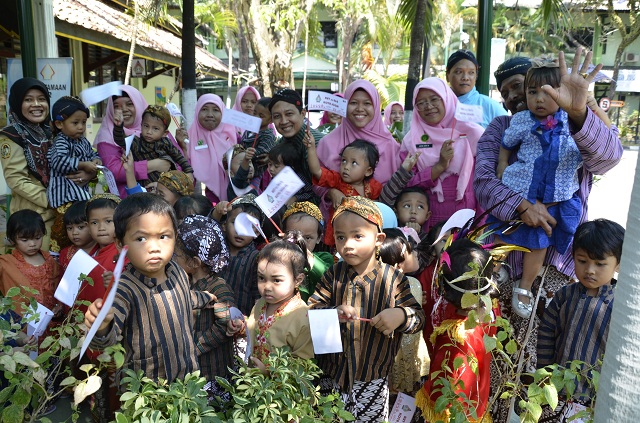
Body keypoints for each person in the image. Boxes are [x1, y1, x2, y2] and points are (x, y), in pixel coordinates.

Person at [473, 49, 623, 420]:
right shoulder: (501, 128)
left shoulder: (576, 123)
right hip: (503, 264)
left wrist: (578, 112)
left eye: (528, 86)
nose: (518, 95)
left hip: (559, 265)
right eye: (511, 89)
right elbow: (484, 183)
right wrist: (524, 206)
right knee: (494, 356)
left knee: (547, 361)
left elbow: (609, 157)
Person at [308, 197, 424, 422]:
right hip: (331, 375)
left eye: (357, 236)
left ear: (379, 239)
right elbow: (312, 309)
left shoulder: (394, 280)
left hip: (373, 378)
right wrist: (333, 313)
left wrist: (399, 315)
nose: (348, 244)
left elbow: (418, 317)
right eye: (341, 237)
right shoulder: (333, 275)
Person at [84, 193, 218, 383]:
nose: (154, 247)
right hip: (149, 393)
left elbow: (185, 297)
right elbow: (108, 339)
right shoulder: (124, 289)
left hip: (187, 379)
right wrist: (102, 326)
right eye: (141, 239)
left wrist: (206, 297)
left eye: (163, 236)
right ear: (120, 244)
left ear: (175, 237)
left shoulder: (177, 272)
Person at [492, 57, 583, 318]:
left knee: (539, 242)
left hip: (557, 194)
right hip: (522, 189)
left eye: (547, 92)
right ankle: (495, 267)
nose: (539, 99)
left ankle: (525, 286)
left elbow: (605, 140)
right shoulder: (520, 121)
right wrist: (501, 165)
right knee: (502, 231)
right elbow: (507, 144)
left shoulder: (572, 119)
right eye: (533, 93)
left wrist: (585, 106)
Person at [537, 219, 624, 418]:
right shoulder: (564, 296)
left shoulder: (619, 307)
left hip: (594, 402)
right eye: (582, 261)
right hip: (554, 394)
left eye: (600, 264)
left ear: (618, 264)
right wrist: (543, 374)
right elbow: (546, 334)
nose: (589, 270)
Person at [416, 238, 499, 423]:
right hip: (477, 407)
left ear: (443, 289)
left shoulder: (455, 336)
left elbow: (448, 390)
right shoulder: (490, 311)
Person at [1, 77, 88, 251]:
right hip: (36, 217)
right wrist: (51, 199)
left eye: (41, 99)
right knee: (45, 267)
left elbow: (76, 158)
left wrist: (88, 175)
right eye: (28, 99)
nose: (36, 104)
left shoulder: (52, 131)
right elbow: (16, 179)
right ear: (17, 103)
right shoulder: (11, 136)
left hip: (65, 212)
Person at [399, 77, 484, 228]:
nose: (428, 106)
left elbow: (484, 184)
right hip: (426, 225)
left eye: (434, 99)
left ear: (446, 98)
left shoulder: (473, 134)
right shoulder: (411, 140)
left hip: (466, 222)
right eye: (421, 103)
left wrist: (480, 225)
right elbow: (406, 184)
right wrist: (439, 167)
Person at [227, 231, 315, 371]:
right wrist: (241, 326)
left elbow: (303, 365)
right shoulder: (261, 304)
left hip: (280, 391)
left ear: (298, 280)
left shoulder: (303, 317)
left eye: (276, 280)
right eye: (261, 278)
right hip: (252, 384)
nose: (267, 287)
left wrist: (268, 372)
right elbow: (254, 329)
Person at [174, 214, 236, 385]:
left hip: (212, 371)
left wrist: (197, 346)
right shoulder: (184, 282)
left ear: (194, 262)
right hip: (192, 369)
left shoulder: (218, 288)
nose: (172, 258)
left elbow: (226, 322)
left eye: (176, 255)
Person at [316, 80, 401, 186]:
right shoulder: (327, 143)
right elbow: (317, 184)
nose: (360, 109)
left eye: (367, 103)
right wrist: (330, 193)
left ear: (375, 106)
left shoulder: (391, 146)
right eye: (353, 103)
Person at [94, 85, 175, 197]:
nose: (123, 110)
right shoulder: (107, 135)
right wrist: (152, 165)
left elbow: (179, 162)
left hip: (163, 195)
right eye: (116, 106)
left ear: (138, 104)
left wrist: (164, 182)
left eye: (129, 104)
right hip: (128, 200)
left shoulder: (157, 127)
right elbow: (114, 172)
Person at [380, 227, 430, 396]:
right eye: (410, 250)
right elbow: (411, 340)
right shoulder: (412, 283)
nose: (415, 253)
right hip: (406, 367)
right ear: (398, 263)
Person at [305, 137, 382, 245]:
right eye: (344, 161)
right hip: (336, 236)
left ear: (368, 171)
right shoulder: (337, 180)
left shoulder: (374, 187)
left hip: (362, 236)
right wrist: (311, 148)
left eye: (354, 163)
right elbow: (316, 171)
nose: (346, 167)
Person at [0, 209, 60, 318]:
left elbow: (59, 290)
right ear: (13, 239)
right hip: (21, 327)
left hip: (52, 324)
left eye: (37, 238)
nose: (32, 244)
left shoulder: (50, 260)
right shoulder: (6, 263)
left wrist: (59, 307)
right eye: (24, 240)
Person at [268, 89, 325, 204]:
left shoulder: (318, 143)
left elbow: (323, 190)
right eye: (277, 116)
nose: (284, 121)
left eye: (289, 114)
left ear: (303, 113)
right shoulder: (280, 144)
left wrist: (296, 202)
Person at [113, 105, 193, 186]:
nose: (149, 132)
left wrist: (188, 172)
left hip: (165, 186)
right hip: (145, 188)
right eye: (146, 126)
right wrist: (118, 126)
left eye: (155, 129)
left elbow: (180, 158)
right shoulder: (136, 142)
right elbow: (120, 140)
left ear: (165, 133)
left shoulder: (166, 143)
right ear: (141, 125)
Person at [47, 96, 102, 209]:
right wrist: (82, 164)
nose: (81, 127)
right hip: (64, 195)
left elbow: (92, 153)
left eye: (83, 122)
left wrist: (96, 160)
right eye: (75, 123)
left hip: (80, 191)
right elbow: (58, 161)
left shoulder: (83, 141)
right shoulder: (61, 142)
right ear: (59, 124)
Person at [214, 194, 262, 316]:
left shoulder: (256, 259)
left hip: (240, 320)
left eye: (248, 226)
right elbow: (209, 228)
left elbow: (258, 297)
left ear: (257, 232)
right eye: (235, 223)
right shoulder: (216, 247)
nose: (240, 230)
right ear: (224, 225)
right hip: (212, 314)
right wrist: (217, 212)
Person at [188, 94, 237, 203]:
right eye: (204, 109)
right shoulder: (189, 138)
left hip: (236, 195)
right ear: (197, 113)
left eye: (215, 110)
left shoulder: (233, 136)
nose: (210, 115)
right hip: (206, 201)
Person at [282, 202, 334, 302]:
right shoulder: (278, 257)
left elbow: (325, 277)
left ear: (319, 238)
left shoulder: (325, 258)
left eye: (308, 238)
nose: (300, 242)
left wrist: (305, 253)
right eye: (293, 236)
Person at [445, 50, 508, 128]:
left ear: (476, 76)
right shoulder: (438, 104)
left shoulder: (489, 106)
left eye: (471, 72)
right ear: (447, 75)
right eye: (459, 72)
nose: (465, 78)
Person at [238, 96, 276, 184]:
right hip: (241, 170)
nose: (256, 117)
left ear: (271, 119)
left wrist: (246, 154)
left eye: (261, 116)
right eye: (254, 113)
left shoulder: (268, 135)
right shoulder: (249, 130)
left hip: (255, 174)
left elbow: (261, 153)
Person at [58, 200, 98, 272]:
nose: (74, 233)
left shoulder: (102, 251)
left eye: (80, 227)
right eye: (70, 228)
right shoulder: (65, 254)